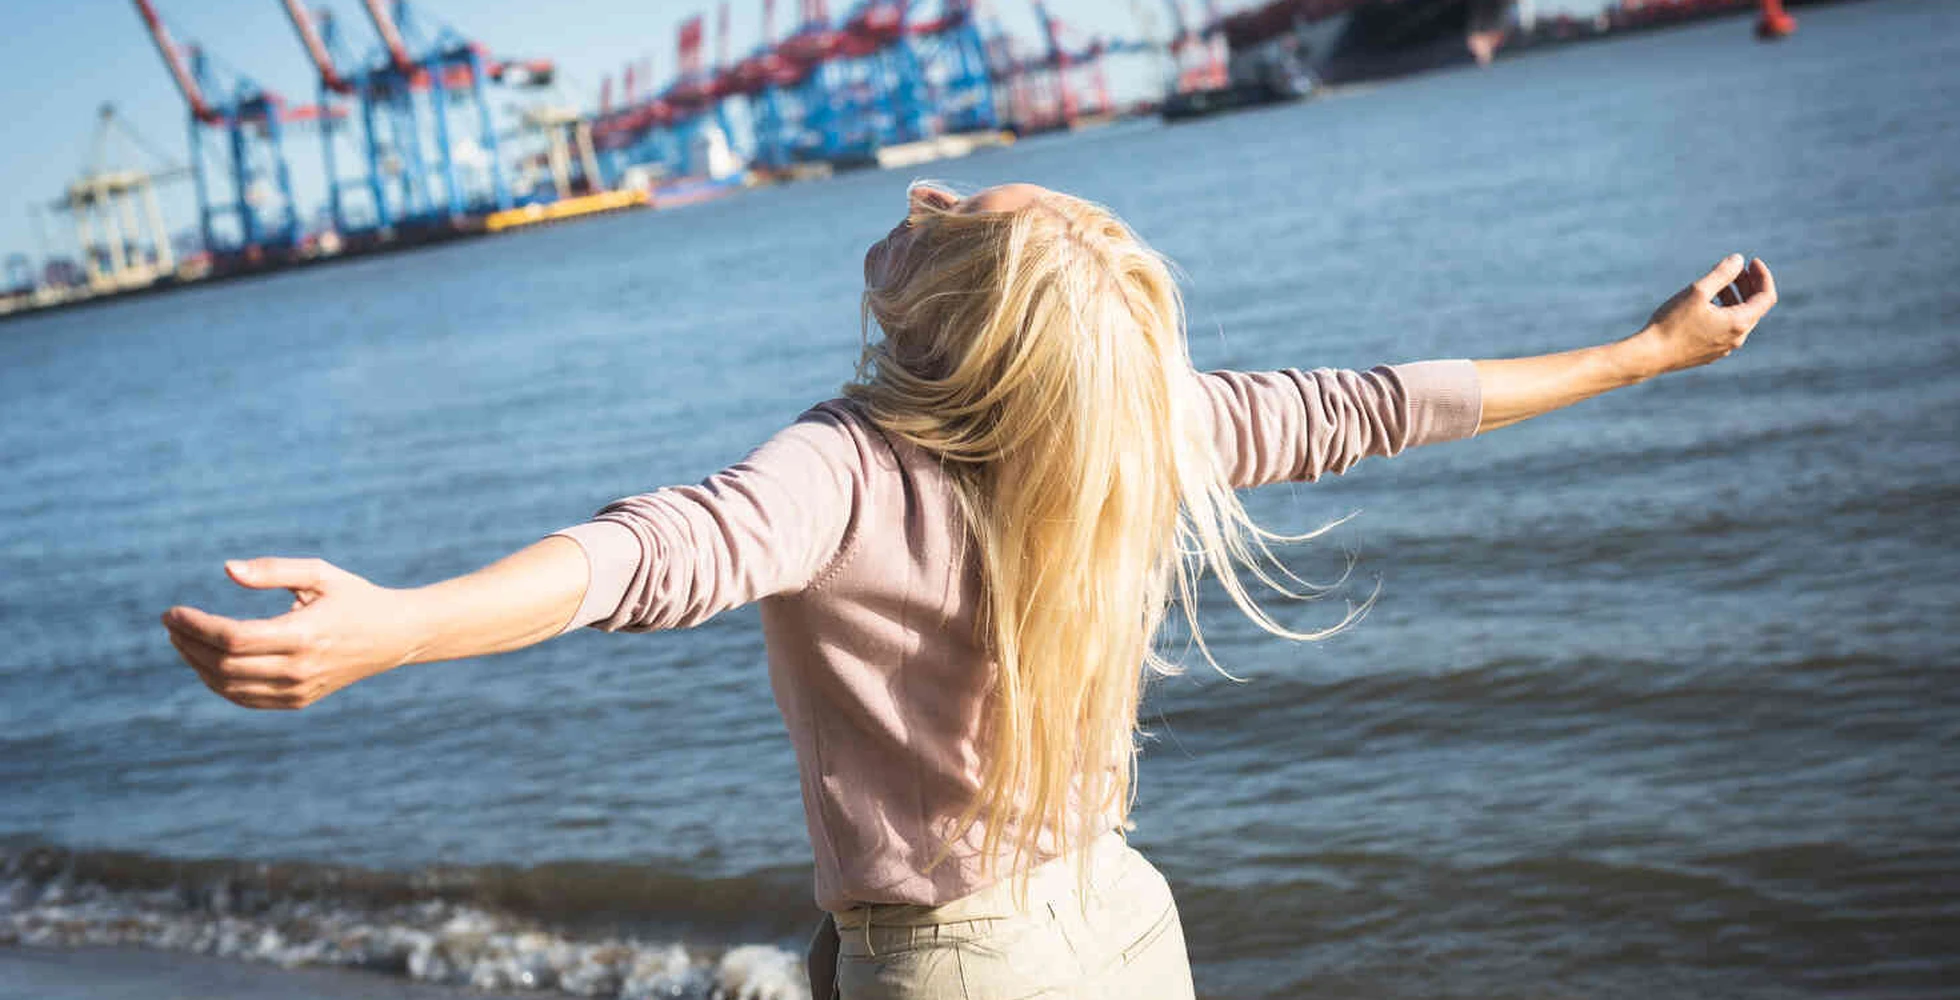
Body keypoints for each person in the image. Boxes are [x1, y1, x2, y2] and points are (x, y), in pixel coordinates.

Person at [162, 182, 1777, 1000]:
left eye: (958, 219)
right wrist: (1645, 354)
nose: (927, 198)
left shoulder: (850, 465)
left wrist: (401, 625)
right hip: (1120, 915)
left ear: (955, 326)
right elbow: (1376, 405)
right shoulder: (1133, 428)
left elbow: (650, 556)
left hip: (958, 964)